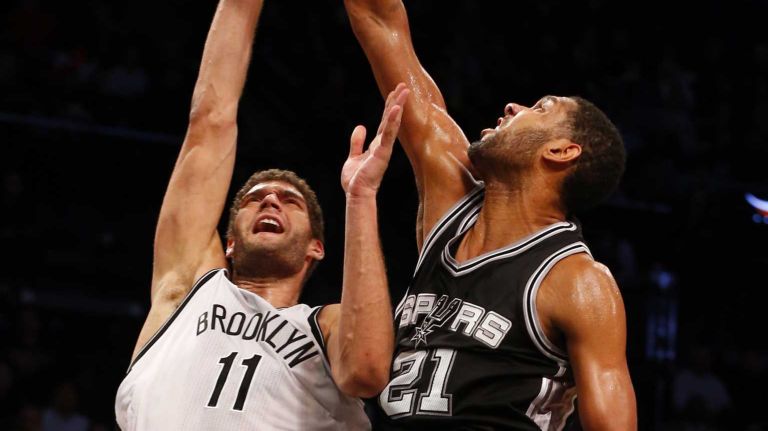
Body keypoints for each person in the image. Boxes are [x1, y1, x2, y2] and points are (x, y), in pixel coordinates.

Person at [115, 0, 410, 429]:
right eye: (255, 199)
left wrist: (361, 197)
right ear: (229, 243)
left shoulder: (324, 325)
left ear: (317, 248)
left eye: (290, 202)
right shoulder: (187, 289)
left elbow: (366, 369)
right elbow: (210, 122)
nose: (270, 200)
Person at [344, 0, 637, 429]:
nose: (514, 107)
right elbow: (379, 19)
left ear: (560, 151)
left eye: (541, 108)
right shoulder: (451, 201)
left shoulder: (579, 284)